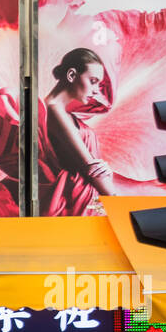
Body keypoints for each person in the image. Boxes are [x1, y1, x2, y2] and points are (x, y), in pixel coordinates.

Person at [40, 47, 115, 217]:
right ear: (72, 75)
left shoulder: (59, 111)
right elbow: (90, 167)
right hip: (80, 203)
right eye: (93, 81)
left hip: (83, 198)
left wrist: (104, 170)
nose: (97, 90)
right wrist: (117, 202)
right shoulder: (54, 110)